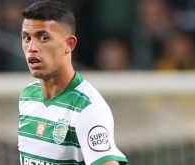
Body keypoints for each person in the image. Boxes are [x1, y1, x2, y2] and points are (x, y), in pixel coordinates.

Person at [18, 1, 128, 165]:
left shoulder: (87, 108)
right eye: (27, 38)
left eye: (43, 37)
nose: (32, 47)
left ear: (69, 44)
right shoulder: (27, 97)